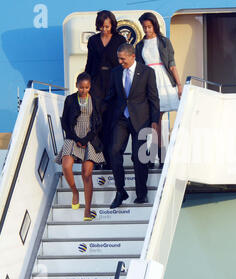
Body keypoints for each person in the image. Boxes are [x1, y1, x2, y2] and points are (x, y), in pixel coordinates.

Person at [104, 43, 160, 208]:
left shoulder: (147, 72)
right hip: (121, 118)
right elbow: (111, 96)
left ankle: (141, 194)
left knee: (138, 156)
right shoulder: (115, 73)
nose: (120, 62)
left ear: (132, 56)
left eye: (123, 59)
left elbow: (153, 98)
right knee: (113, 151)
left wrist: (155, 120)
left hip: (141, 119)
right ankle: (120, 191)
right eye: (119, 59)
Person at [55, 72, 105, 221]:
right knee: (66, 165)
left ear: (90, 87)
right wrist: (76, 138)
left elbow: (98, 123)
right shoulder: (70, 99)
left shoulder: (95, 100)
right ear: (76, 85)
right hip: (72, 136)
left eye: (87, 87)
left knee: (87, 173)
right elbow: (64, 121)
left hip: (90, 137)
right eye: (81, 87)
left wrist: (87, 138)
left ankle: (87, 210)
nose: (84, 90)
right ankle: (75, 192)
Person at [135, 12, 182, 168]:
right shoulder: (140, 45)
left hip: (163, 80)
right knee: (152, 120)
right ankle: (156, 153)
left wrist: (179, 84)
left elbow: (172, 64)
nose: (147, 30)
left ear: (154, 25)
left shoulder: (163, 42)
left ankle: (160, 155)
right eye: (144, 27)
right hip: (147, 81)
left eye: (149, 26)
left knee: (159, 118)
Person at [85, 10, 127, 168]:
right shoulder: (93, 41)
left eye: (107, 26)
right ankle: (97, 158)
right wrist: (86, 83)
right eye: (102, 26)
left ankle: (111, 160)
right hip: (97, 84)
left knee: (113, 122)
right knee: (96, 122)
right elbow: (89, 63)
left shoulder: (120, 40)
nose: (104, 29)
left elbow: (123, 65)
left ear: (113, 25)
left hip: (114, 84)